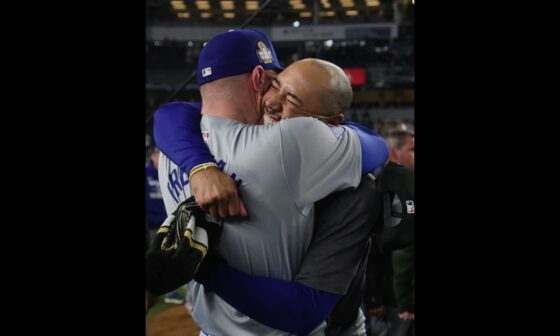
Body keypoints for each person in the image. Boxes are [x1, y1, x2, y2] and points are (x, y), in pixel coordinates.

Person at [153, 29, 388, 335]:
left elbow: (171, 113)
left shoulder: (170, 149)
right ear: (258, 78)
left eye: (291, 97)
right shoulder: (290, 141)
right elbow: (377, 145)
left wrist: (200, 165)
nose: (275, 102)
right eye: (276, 84)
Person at [364, 128, 415, 336]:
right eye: (412, 149)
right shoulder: (380, 187)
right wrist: (373, 295)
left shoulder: (404, 183)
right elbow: (368, 249)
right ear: (394, 153)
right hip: (391, 296)